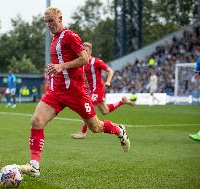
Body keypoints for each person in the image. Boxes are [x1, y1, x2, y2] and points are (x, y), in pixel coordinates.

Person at [17, 7, 130, 178]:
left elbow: (84, 58)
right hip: (56, 92)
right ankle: (34, 166)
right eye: (46, 22)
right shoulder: (54, 39)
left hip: (76, 93)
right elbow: (59, 64)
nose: (48, 25)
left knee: (96, 127)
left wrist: (62, 66)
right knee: (36, 121)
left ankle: (119, 129)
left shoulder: (70, 35)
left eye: (51, 21)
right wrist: (53, 70)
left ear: (60, 18)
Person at [71, 42, 134, 139]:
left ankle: (83, 133)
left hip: (98, 89)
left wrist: (108, 82)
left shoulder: (96, 61)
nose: (85, 52)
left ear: (90, 51)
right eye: (83, 50)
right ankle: (123, 101)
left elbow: (110, 70)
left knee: (87, 107)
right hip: (92, 90)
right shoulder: (83, 63)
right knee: (105, 111)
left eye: (87, 50)